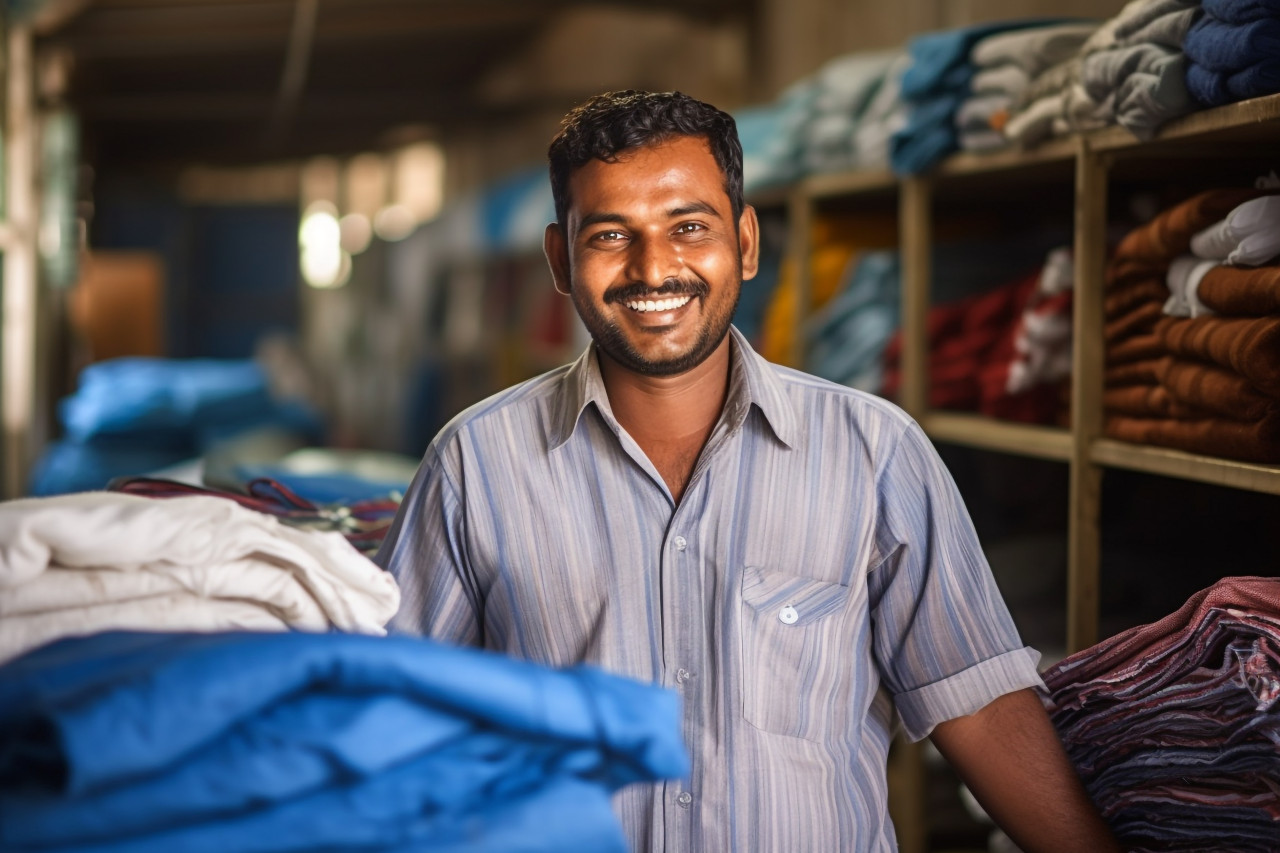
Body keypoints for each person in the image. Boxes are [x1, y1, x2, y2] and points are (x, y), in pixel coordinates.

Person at [376, 90, 1121, 852]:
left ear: (746, 242)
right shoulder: (476, 463)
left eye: (689, 228)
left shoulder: (873, 453)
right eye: (610, 235)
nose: (653, 267)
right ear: (561, 260)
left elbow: (980, 704)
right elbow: (390, 711)